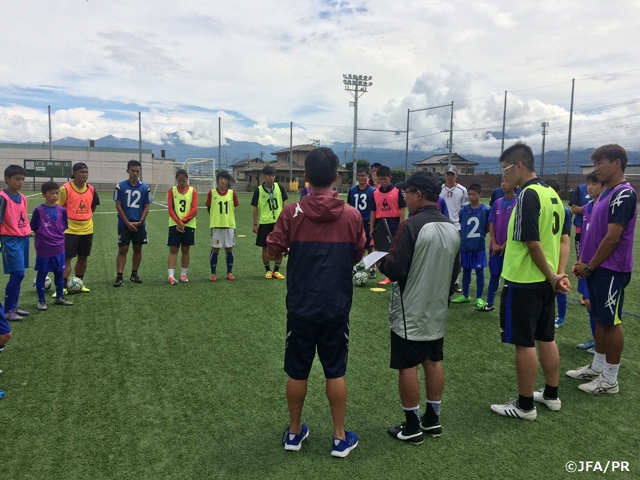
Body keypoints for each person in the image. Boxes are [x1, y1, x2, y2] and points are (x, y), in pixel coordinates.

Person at [267, 147, 365, 457]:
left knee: (297, 371)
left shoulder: (291, 212)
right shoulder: (352, 215)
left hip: (301, 306)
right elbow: (359, 255)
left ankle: (294, 433)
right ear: (337, 177)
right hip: (336, 306)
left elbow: (272, 251)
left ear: (305, 178)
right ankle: (339, 437)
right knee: (335, 372)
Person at [490, 143, 570, 421]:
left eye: (505, 168)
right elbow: (563, 239)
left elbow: (533, 243)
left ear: (519, 166)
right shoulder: (553, 195)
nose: (504, 175)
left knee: (524, 343)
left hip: (525, 281)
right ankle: (551, 394)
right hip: (546, 282)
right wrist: (557, 275)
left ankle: (525, 405)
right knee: (546, 337)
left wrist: (551, 276)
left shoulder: (528, 195)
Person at [379, 170, 460, 445]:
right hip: (437, 309)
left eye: (407, 192)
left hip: (410, 309)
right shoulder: (451, 227)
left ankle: (412, 426)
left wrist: (380, 263)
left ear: (419, 194)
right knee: (433, 361)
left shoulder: (411, 226)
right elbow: (454, 274)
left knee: (408, 366)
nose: (405, 196)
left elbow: (396, 268)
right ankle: (432, 419)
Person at [568, 144, 636, 394]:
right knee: (598, 318)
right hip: (595, 268)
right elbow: (592, 234)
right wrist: (583, 262)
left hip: (611, 269)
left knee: (611, 322)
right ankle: (597, 367)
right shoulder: (605, 193)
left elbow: (612, 238)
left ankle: (610, 379)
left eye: (600, 163)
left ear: (617, 163)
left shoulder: (624, 194)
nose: (596, 168)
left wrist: (590, 265)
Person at [30, 181, 73, 310]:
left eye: (57, 193)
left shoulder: (62, 210)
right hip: (44, 249)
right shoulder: (38, 210)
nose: (55, 196)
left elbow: (64, 226)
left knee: (59, 273)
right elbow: (34, 227)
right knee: (42, 274)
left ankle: (59, 297)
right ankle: (41, 300)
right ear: (44, 194)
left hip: (59, 247)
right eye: (52, 193)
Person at [58, 162, 100, 293]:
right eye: (82, 172)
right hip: (69, 230)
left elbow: (92, 207)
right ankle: (62, 287)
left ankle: (79, 282)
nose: (85, 174)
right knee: (67, 258)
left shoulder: (91, 189)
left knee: (83, 257)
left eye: (86, 172)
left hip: (87, 229)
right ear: (74, 174)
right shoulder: (65, 189)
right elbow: (58, 208)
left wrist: (85, 216)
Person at [574, 173, 605, 353]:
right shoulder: (587, 208)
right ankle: (595, 339)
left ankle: (601, 343)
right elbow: (584, 237)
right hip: (585, 263)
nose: (589, 187)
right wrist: (580, 259)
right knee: (587, 302)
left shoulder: (605, 207)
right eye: (588, 183)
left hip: (597, 265)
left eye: (594, 183)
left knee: (595, 305)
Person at [478, 179, 517, 312]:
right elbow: (491, 223)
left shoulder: (518, 203)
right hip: (495, 248)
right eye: (502, 181)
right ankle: (489, 303)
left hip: (510, 249)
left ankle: (508, 306)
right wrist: (494, 242)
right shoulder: (497, 202)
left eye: (507, 181)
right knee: (494, 275)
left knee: (508, 279)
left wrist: (506, 245)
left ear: (515, 185)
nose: (503, 184)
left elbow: (517, 227)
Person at [0, 165, 31, 320]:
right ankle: (7, 310)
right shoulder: (2, 197)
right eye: (17, 179)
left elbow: (22, 217)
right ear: (7, 179)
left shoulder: (23, 197)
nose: (21, 182)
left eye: (23, 179)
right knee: (17, 274)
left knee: (20, 274)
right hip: (10, 240)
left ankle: (14, 307)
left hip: (23, 239)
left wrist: (28, 231)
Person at [451, 184, 490, 308]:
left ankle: (479, 297)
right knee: (466, 271)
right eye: (470, 194)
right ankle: (466, 295)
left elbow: (488, 227)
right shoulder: (463, 211)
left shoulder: (485, 209)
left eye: (474, 194)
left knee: (479, 272)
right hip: (466, 246)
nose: (471, 196)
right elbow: (462, 226)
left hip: (478, 246)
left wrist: (482, 234)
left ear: (480, 194)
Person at [113, 160, 151, 287]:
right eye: (133, 171)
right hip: (124, 224)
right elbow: (118, 206)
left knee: (137, 247)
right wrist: (127, 222)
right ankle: (119, 276)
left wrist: (140, 221)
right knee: (123, 248)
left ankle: (134, 274)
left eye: (137, 171)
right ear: (127, 171)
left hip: (139, 224)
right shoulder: (120, 186)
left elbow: (146, 206)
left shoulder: (145, 188)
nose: (135, 173)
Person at [370, 166, 406, 285]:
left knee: (394, 251)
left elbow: (402, 209)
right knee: (382, 251)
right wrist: (372, 228)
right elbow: (373, 211)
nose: (382, 181)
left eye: (385, 179)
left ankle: (396, 274)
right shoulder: (375, 193)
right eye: (380, 179)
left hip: (394, 223)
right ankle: (387, 276)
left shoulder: (397, 191)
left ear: (390, 177)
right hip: (381, 225)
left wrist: (401, 224)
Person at [252, 165, 288, 279]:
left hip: (278, 222)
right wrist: (255, 224)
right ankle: (267, 270)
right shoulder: (258, 190)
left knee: (280, 246)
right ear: (264, 177)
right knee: (265, 247)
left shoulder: (279, 187)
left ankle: (276, 270)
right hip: (265, 222)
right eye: (269, 176)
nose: (272, 178)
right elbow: (256, 208)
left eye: (273, 175)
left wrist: (284, 219)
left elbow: (283, 204)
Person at [440, 165, 468, 292]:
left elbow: (464, 209)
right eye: (448, 174)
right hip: (442, 225)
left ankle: (455, 282)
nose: (450, 176)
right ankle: (442, 281)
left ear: (456, 175)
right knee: (442, 253)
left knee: (456, 256)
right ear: (444, 175)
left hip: (457, 227)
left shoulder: (462, 190)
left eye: (452, 174)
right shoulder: (440, 189)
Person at [167, 169, 198, 284]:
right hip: (174, 224)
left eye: (183, 180)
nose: (181, 182)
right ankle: (171, 276)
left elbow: (194, 209)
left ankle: (183, 275)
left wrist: (183, 221)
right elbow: (170, 209)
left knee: (186, 249)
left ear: (187, 179)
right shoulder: (172, 191)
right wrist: (178, 222)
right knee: (173, 249)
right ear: (176, 179)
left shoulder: (193, 191)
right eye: (179, 180)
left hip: (188, 225)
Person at [207, 170, 238, 282]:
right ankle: (213, 273)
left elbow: (234, 207)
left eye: (225, 179)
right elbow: (209, 208)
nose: (223, 181)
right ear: (217, 180)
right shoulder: (212, 193)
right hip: (216, 226)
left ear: (228, 181)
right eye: (221, 179)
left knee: (229, 249)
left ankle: (229, 272)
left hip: (229, 226)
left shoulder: (232, 193)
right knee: (215, 249)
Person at [348, 167, 376, 278]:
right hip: (355, 222)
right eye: (359, 175)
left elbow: (374, 209)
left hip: (367, 222)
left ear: (367, 177)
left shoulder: (372, 191)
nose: (361, 177)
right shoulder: (352, 190)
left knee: (370, 246)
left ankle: (372, 269)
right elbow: (350, 206)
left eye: (363, 175)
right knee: (354, 245)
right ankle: (353, 267)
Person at [569, 181, 591, 259]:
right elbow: (574, 209)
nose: (590, 187)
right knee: (580, 258)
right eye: (590, 183)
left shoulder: (604, 189)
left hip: (597, 228)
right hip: (580, 228)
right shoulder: (581, 188)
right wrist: (591, 209)